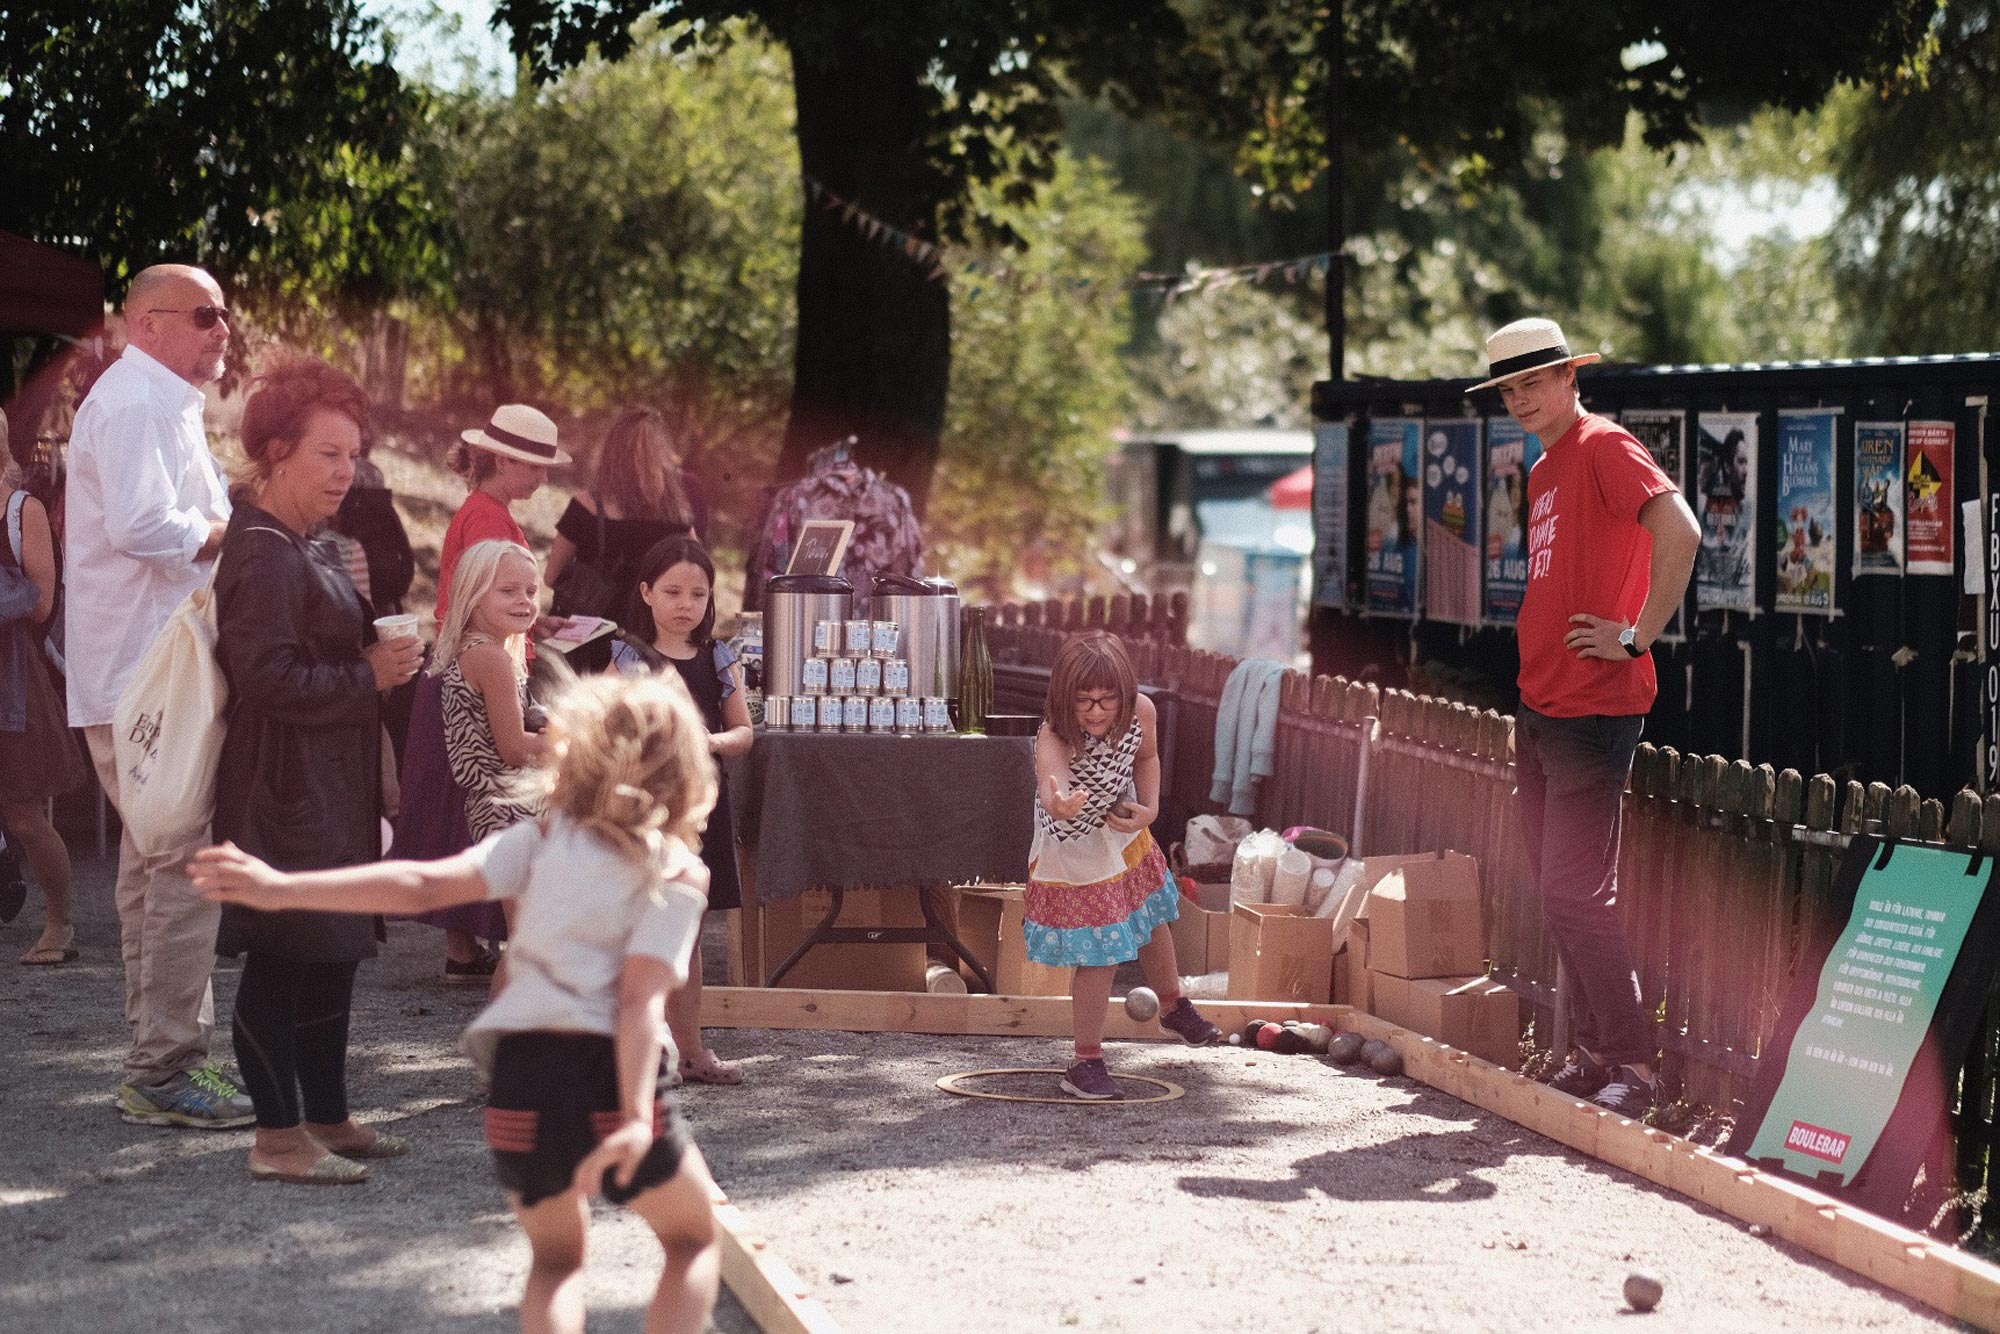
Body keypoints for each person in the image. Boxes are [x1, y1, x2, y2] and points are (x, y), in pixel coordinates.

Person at [191, 671, 723, 1331]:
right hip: (614, 1082)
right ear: (686, 774)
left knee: (557, 1262)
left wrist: (279, 887)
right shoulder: (675, 870)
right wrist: (638, 1119)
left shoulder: (537, 841)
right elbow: (639, 1002)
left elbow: (416, 884)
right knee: (692, 1240)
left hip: (519, 1079)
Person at [1473, 317, 1701, 1118]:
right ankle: (1600, 1051)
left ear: (1571, 377)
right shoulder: (1544, 468)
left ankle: (1635, 1069)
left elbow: (1681, 530)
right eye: (1508, 388)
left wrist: (1638, 636)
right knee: (1553, 887)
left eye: (1535, 381)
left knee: (1577, 892)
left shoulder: (1604, 446)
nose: (1521, 398)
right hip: (1542, 707)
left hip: (1593, 710)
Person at [211, 359, 425, 1182]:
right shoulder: (263, 550)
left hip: (326, 785)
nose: (347, 473)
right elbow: (264, 679)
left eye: (353, 456)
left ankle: (327, 1115)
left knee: (333, 946)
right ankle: (275, 1140)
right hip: (282, 787)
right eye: (328, 455)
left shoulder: (303, 543)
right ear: (274, 451)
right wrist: (367, 675)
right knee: (286, 950)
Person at [64, 262, 249, 1125]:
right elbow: (144, 528)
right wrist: (240, 535)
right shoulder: (136, 401)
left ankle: (161, 1061)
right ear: (146, 326)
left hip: (147, 674)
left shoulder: (157, 398)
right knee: (180, 866)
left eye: (225, 316)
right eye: (205, 316)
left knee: (153, 869)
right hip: (147, 679)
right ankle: (166, 1070)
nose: (224, 331)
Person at [1026, 631, 1221, 1100]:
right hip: (1075, 851)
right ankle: (1084, 1063)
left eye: (1106, 700)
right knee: (1102, 951)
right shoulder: (1053, 733)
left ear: (1126, 697)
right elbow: (1050, 784)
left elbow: (1147, 758)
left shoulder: (1143, 713)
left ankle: (1173, 1007)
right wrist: (1060, 804)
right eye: (1084, 701)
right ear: (1063, 698)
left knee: (1151, 918)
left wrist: (1150, 809)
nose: (1095, 711)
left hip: (1123, 831)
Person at [412, 404, 571, 978]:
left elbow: (495, 601)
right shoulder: (484, 518)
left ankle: (484, 953)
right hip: (485, 695)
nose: (544, 478)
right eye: (536, 465)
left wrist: (534, 624)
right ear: (503, 458)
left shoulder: (494, 514)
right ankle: (487, 957)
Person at [611, 536, 751, 1085]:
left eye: (697, 593)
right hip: (649, 806)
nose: (685, 604)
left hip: (700, 806)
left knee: (690, 930)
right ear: (646, 592)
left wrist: (710, 743)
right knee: (639, 925)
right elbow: (618, 726)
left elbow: (743, 731)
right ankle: (634, 1051)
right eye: (672, 591)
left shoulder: (720, 655)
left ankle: (692, 1051)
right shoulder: (629, 655)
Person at [2, 417, 89, 965]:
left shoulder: (23, 511)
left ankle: (59, 923)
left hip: (11, 679)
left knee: (24, 814)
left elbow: (40, 602)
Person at [546, 407, 708, 673]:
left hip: (594, 645)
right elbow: (700, 571)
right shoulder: (676, 513)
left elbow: (552, 577)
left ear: (611, 452)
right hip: (656, 641)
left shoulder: (587, 507)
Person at [434, 540, 549, 842]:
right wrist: (576, 742)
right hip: (505, 811)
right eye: (508, 591)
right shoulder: (491, 657)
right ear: (474, 594)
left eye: (531, 591)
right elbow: (514, 749)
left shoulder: (476, 648)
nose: (524, 601)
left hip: (492, 805)